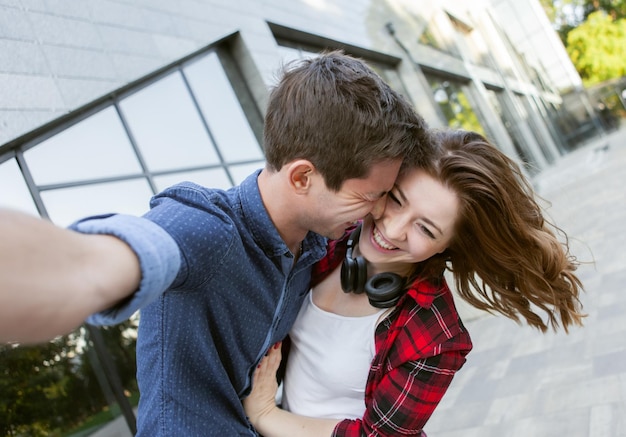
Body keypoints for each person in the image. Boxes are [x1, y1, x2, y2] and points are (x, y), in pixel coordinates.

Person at [0, 51, 431, 436]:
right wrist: (82, 269)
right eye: (369, 195)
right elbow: (98, 262)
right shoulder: (208, 226)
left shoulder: (317, 247)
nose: (377, 213)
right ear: (302, 177)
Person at [243, 128, 585, 437]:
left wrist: (265, 414)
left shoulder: (437, 338)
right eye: (395, 199)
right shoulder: (327, 242)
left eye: (425, 228)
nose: (391, 230)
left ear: (449, 245)